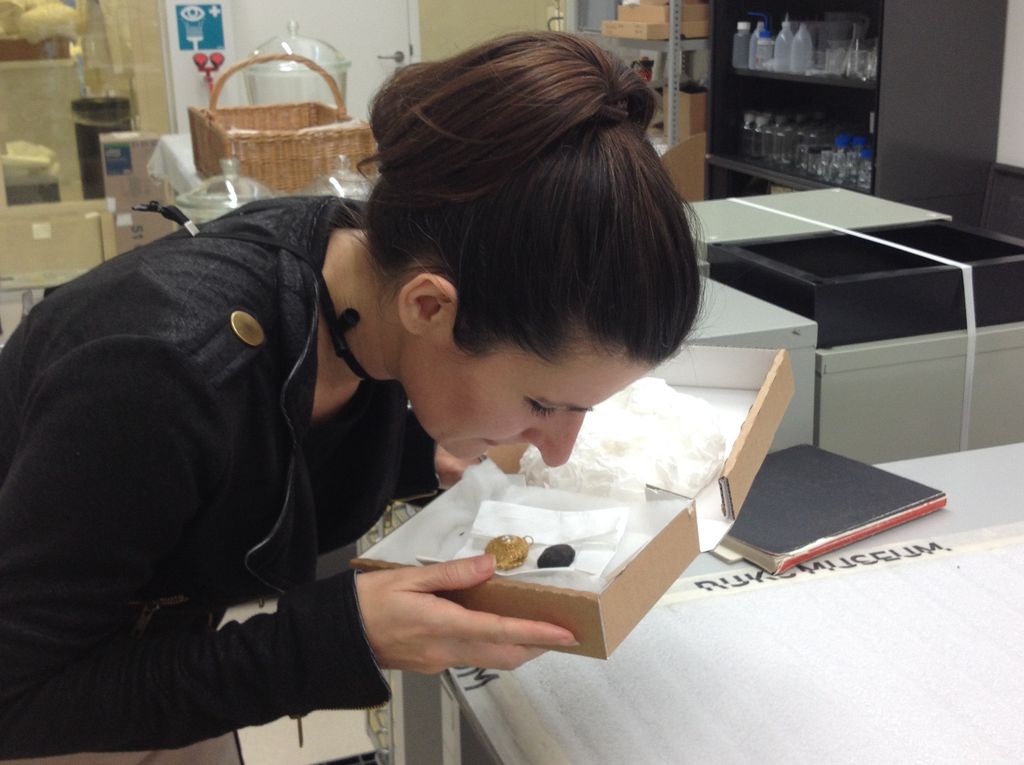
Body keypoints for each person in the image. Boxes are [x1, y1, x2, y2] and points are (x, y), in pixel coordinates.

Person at [0, 31, 701, 760]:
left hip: (141, 643)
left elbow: (273, 435)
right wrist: (338, 639)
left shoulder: (351, 269)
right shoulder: (162, 374)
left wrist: (423, 452)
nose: (557, 449)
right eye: (542, 405)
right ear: (429, 308)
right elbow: (19, 693)